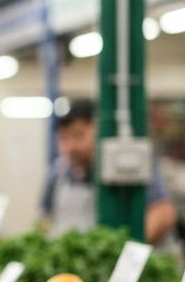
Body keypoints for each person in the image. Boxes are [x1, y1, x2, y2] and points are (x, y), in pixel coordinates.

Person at [39, 98, 177, 245]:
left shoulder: (132, 163)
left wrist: (123, 254)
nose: (71, 146)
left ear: (100, 130)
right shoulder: (57, 173)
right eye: (63, 138)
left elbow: (163, 213)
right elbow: (46, 219)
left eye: (78, 135)